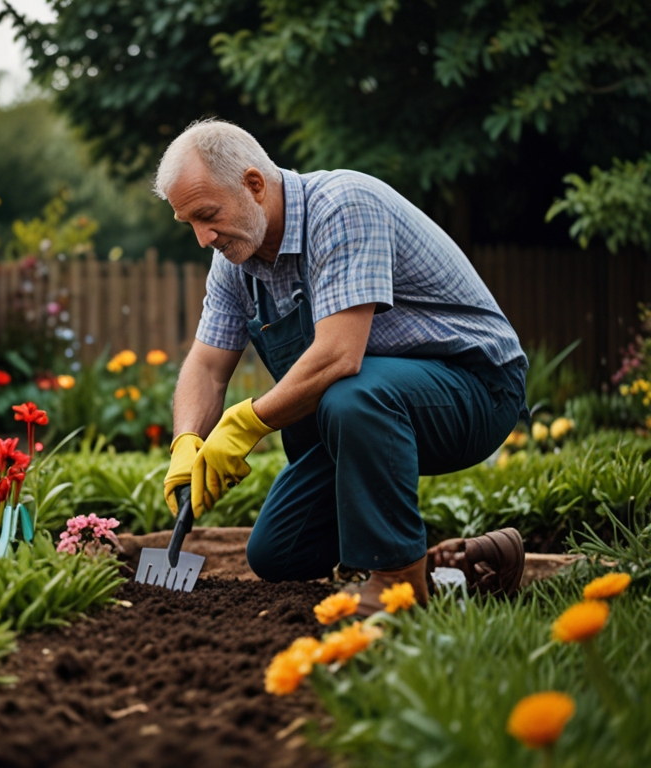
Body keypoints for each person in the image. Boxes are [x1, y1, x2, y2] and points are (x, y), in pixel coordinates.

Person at [156, 119, 528, 614]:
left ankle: (396, 579)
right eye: (191, 225)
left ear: (254, 184)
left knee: (351, 392)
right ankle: (464, 569)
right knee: (277, 553)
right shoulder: (235, 263)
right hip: (365, 413)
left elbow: (339, 355)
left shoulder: (342, 205)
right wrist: (187, 441)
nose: (203, 238)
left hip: (474, 388)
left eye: (207, 216)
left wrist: (246, 424)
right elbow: (206, 365)